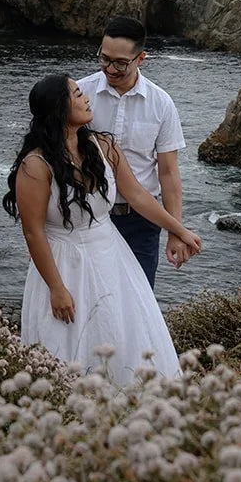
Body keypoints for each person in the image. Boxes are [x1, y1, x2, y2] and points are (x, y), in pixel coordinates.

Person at [3, 74, 202, 384]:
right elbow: (33, 232)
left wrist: (179, 229)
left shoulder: (103, 145)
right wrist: (56, 288)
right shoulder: (36, 165)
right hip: (64, 262)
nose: (86, 98)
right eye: (77, 94)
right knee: (68, 342)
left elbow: (137, 195)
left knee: (123, 330)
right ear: (59, 108)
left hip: (111, 254)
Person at [76, 16, 186, 289]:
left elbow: (169, 174)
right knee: (89, 298)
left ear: (141, 59)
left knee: (139, 302)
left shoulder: (161, 104)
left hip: (141, 223)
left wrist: (176, 231)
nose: (110, 69)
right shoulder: (80, 94)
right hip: (87, 214)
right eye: (104, 59)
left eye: (120, 63)